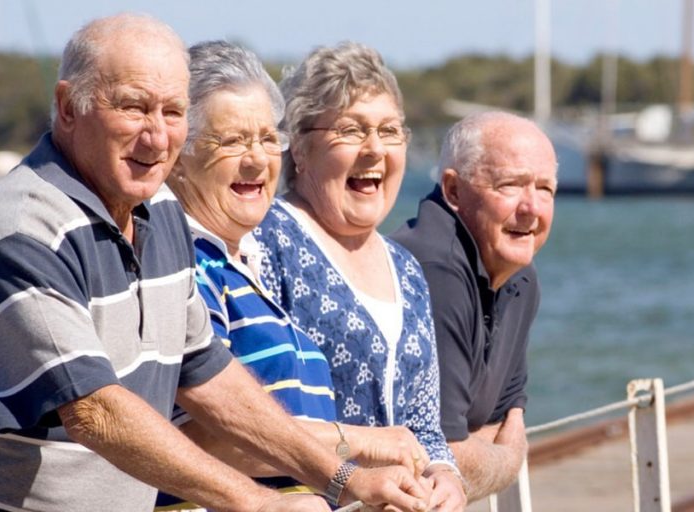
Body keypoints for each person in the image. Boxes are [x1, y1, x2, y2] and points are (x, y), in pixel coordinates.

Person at [0, 15, 428, 512]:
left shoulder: (160, 212)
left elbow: (206, 371)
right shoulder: (21, 227)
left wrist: (343, 478)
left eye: (172, 112)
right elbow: (93, 411)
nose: (157, 137)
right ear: (68, 107)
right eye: (134, 108)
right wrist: (255, 502)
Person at [157, 40, 432, 509]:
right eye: (232, 140)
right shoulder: (186, 264)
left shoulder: (245, 265)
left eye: (267, 138)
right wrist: (361, 445)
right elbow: (204, 442)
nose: (256, 159)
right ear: (179, 155)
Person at [253, 42, 466, 512]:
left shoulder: (405, 267)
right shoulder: (267, 240)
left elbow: (423, 424)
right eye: (351, 130)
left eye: (390, 131)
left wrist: (444, 475)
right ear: (301, 149)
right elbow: (243, 420)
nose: (374, 149)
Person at [390, 112, 558, 501]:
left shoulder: (519, 276)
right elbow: (441, 460)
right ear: (453, 191)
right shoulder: (434, 269)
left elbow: (503, 418)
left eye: (545, 189)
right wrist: (510, 459)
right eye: (510, 185)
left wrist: (484, 448)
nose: (531, 208)